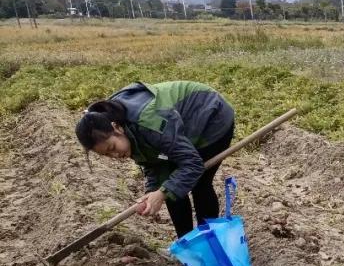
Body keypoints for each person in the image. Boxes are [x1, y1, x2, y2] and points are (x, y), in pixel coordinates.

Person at [75, 81, 235, 239]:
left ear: (116, 127)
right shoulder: (122, 128)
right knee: (169, 188)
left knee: (199, 183)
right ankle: (188, 246)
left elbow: (193, 164)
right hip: (177, 131)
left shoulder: (149, 122)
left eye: (112, 148)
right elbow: (151, 160)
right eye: (107, 155)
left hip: (211, 115)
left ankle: (210, 243)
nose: (115, 156)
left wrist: (161, 193)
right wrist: (152, 192)